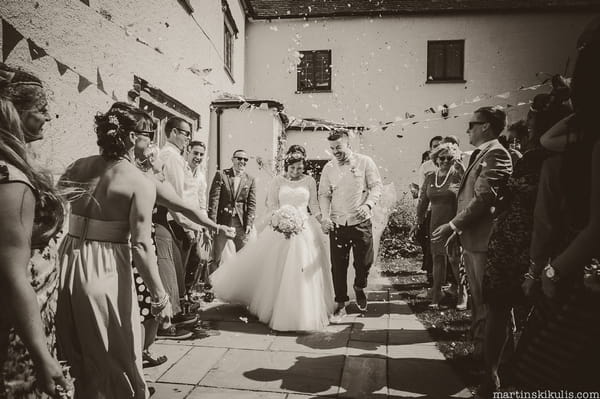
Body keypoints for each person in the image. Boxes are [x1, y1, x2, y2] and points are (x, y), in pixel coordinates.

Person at [55, 106, 173, 398]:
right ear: (133, 137)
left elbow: (50, 213)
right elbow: (142, 245)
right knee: (116, 351)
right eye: (149, 135)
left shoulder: (76, 166)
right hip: (105, 270)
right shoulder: (140, 182)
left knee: (75, 349)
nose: (152, 143)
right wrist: (160, 296)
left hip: (68, 262)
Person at [512, 21, 600, 391]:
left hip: (578, 274)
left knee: (544, 375)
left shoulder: (572, 153)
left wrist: (548, 273)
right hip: (580, 269)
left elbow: (594, 227)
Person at [477, 93, 572, 396]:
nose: (527, 129)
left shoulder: (558, 161)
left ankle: (503, 372)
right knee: (506, 310)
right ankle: (498, 371)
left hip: (532, 247)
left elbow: (543, 217)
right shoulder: (536, 158)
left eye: (532, 123)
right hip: (516, 245)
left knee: (516, 312)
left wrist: (535, 266)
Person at [0, 64, 70, 397]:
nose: (48, 118)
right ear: (17, 113)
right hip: (18, 331)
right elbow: (13, 274)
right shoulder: (11, 178)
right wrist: (42, 356)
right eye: (42, 111)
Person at [212, 147, 335, 331]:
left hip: (304, 229)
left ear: (304, 168)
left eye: (300, 168)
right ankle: (274, 307)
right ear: (287, 167)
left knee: (302, 270)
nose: (295, 172)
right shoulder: (278, 180)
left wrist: (322, 220)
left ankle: (302, 312)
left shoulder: (309, 181)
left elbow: (314, 205)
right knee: (276, 270)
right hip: (280, 228)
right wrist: (279, 221)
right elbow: (272, 205)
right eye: (292, 168)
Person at [432, 106, 512, 360]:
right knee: (478, 297)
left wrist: (454, 225)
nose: (467, 129)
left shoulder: (496, 154)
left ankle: (495, 357)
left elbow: (484, 198)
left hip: (484, 240)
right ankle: (482, 350)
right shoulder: (481, 153)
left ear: (486, 126)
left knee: (489, 301)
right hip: (473, 238)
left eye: (472, 124)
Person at [319, 129, 383, 315]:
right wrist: (325, 216)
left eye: (338, 147)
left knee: (364, 262)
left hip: (361, 221)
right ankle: (340, 303)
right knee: (338, 265)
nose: (335, 151)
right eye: (332, 148)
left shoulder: (365, 161)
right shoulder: (328, 168)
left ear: (348, 144)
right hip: (338, 223)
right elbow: (324, 194)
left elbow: (376, 186)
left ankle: (359, 285)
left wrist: (369, 205)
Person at [156, 117, 200, 333]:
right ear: (174, 132)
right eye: (186, 133)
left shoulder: (175, 156)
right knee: (174, 270)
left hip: (182, 220)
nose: (188, 138)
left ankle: (178, 310)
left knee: (178, 271)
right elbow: (175, 195)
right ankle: (173, 315)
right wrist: (188, 225)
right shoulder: (170, 157)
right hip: (176, 222)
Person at [415, 143, 466, 310]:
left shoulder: (458, 176)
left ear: (455, 159)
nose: (445, 161)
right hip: (435, 223)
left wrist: (462, 170)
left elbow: (466, 197)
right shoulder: (430, 177)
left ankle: (462, 292)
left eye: (449, 158)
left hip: (453, 223)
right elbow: (423, 201)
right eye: (441, 158)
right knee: (437, 259)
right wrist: (418, 221)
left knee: (454, 258)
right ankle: (437, 293)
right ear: (435, 159)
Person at [208, 149, 257, 271]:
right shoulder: (222, 175)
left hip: (240, 222)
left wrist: (249, 223)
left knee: (243, 255)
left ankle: (238, 284)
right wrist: (212, 223)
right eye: (239, 158)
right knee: (218, 254)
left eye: (245, 159)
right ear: (232, 159)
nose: (242, 161)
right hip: (223, 220)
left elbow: (251, 203)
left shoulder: (250, 179)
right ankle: (213, 283)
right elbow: (214, 199)